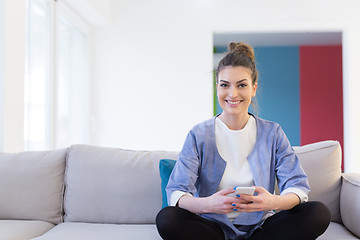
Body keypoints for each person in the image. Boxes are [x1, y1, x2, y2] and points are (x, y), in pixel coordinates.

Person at [156, 42, 331, 240]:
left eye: (241, 85)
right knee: (167, 218)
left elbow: (297, 186)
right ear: (217, 87)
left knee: (318, 212)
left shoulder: (272, 133)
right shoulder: (199, 134)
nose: (232, 94)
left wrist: (272, 202)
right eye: (225, 85)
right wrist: (209, 204)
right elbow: (177, 191)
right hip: (213, 227)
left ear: (253, 88)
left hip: (262, 226)